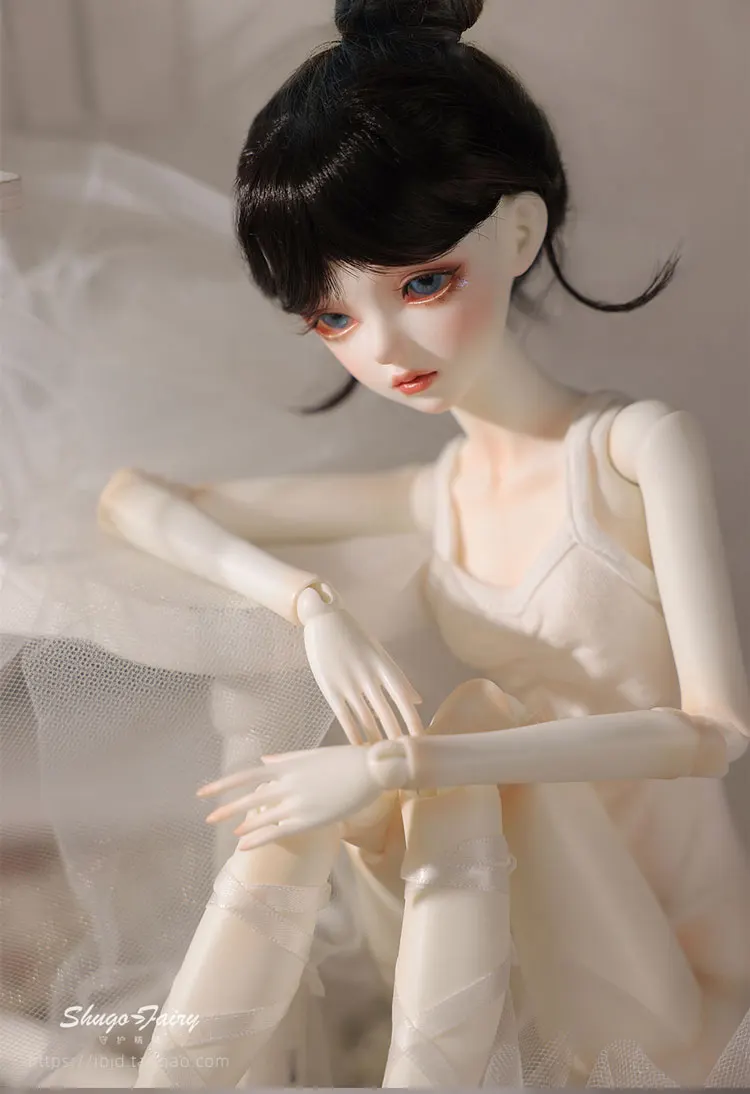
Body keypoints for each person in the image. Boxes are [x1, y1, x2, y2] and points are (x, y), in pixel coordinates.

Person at [98, 0, 750, 1085]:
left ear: (519, 234)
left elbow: (715, 731)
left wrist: (402, 762)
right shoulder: (433, 491)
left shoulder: (633, 449)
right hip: (505, 931)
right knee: (313, 786)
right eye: (335, 316)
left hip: (670, 965)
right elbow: (137, 498)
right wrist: (310, 605)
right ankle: (185, 1074)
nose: (385, 345)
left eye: (423, 282)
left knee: (461, 724)